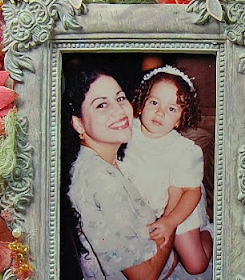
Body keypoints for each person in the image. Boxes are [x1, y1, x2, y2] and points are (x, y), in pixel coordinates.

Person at [62, 68, 178, 280]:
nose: (119, 111)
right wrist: (173, 214)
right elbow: (144, 276)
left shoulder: (107, 160)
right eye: (101, 105)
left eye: (120, 98)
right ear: (78, 123)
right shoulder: (101, 182)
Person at [120, 66, 213, 275]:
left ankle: (209, 233)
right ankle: (171, 253)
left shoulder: (184, 151)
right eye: (154, 103)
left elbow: (192, 192)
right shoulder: (127, 131)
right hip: (142, 207)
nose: (160, 112)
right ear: (141, 104)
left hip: (178, 207)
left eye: (172, 109)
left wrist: (171, 222)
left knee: (196, 266)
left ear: (180, 119)